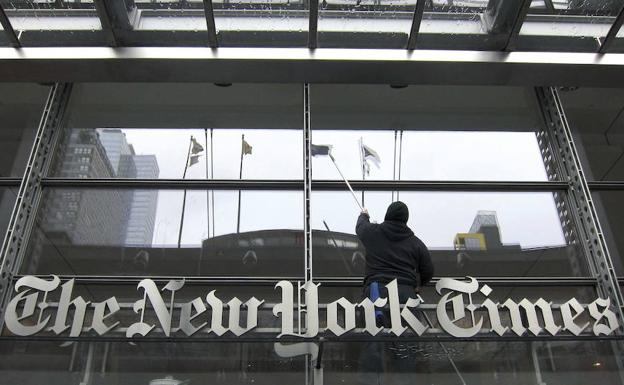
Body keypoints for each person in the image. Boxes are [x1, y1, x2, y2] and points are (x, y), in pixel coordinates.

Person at [356, 201, 434, 385]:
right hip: (406, 294)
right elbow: (428, 270)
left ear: (387, 215)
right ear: (405, 219)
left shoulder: (373, 232)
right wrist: (419, 284)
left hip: (377, 291)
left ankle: (370, 381)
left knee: (374, 338)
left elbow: (360, 228)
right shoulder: (416, 243)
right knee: (405, 343)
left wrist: (364, 215)